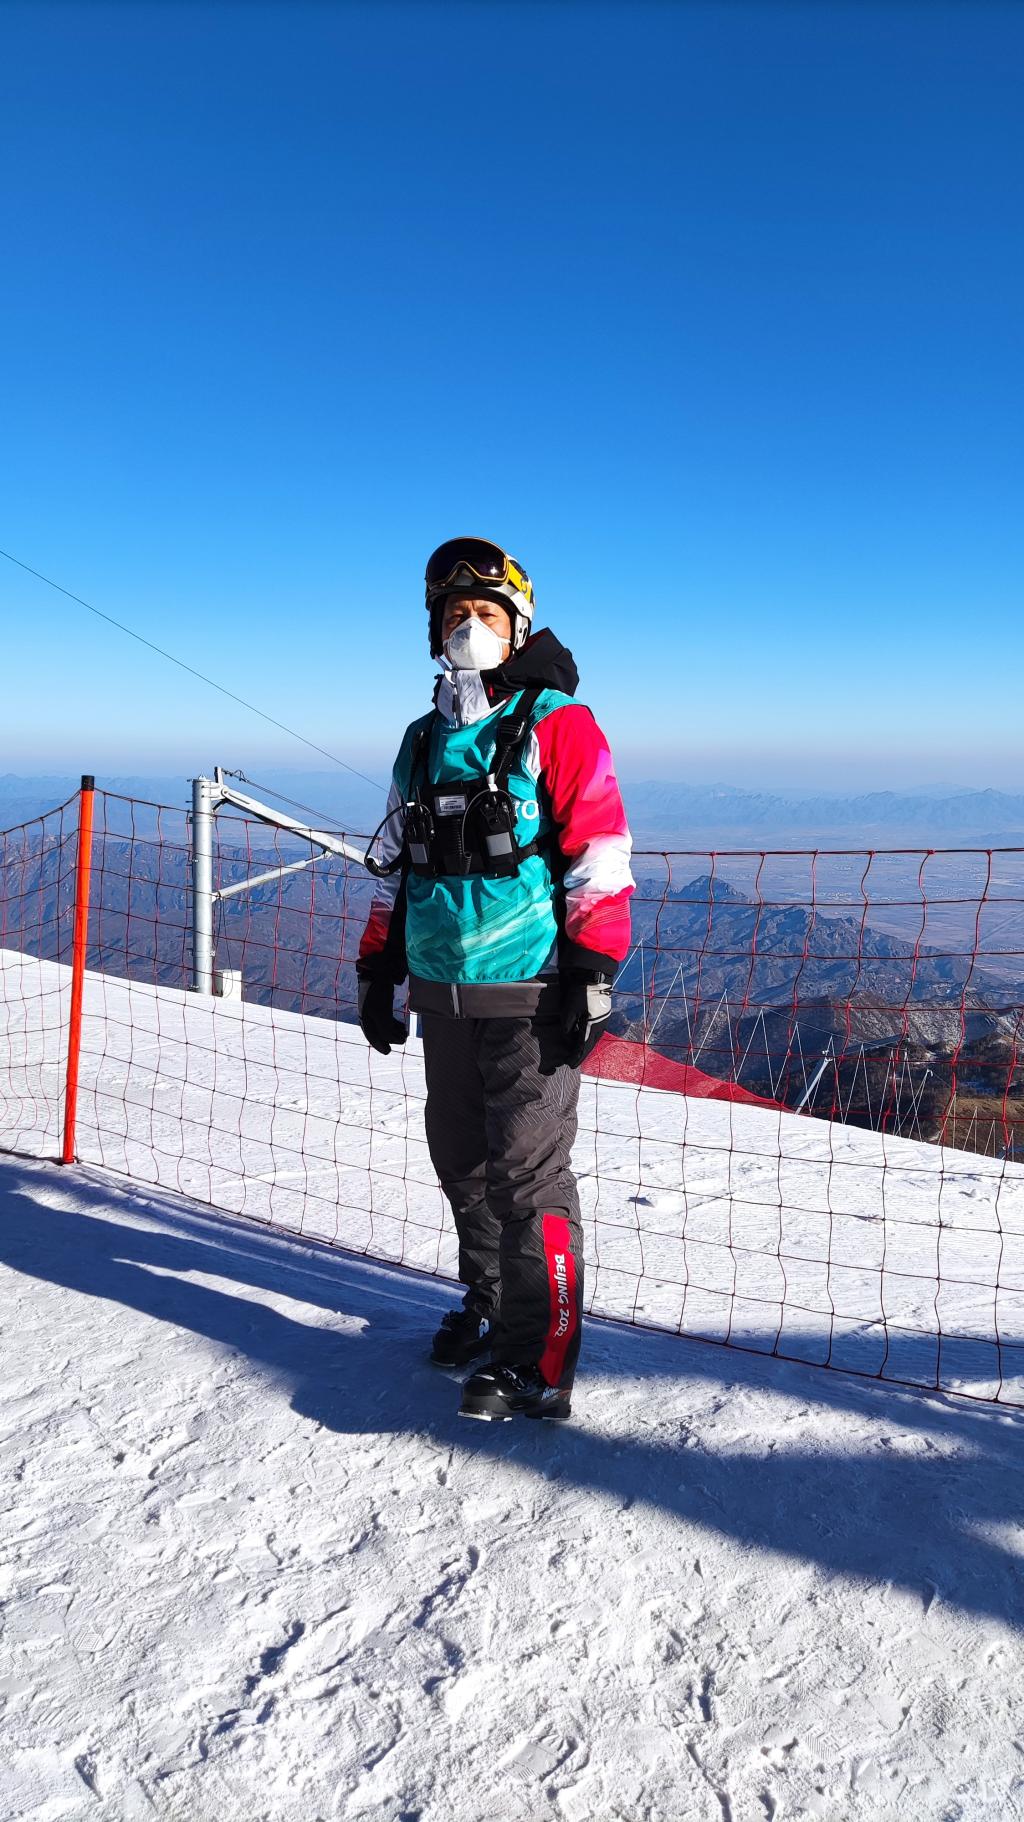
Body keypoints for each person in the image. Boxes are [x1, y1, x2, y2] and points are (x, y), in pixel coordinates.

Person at [356, 537, 634, 1422]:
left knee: (527, 1175)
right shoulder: (422, 739)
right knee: (463, 1164)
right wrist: (377, 968)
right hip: (442, 991)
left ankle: (537, 1361)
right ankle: (488, 1308)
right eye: (454, 614)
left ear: (517, 628)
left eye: (485, 613)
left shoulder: (560, 723)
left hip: (532, 990)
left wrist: (593, 970)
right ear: (433, 631)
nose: (468, 628)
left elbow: (600, 852)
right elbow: (399, 865)